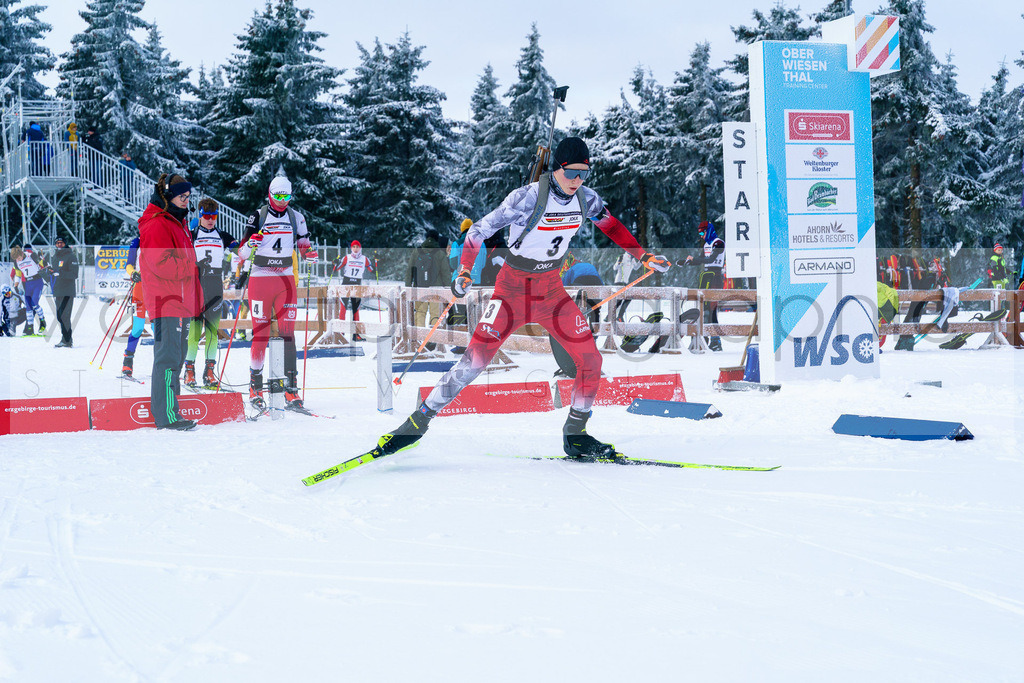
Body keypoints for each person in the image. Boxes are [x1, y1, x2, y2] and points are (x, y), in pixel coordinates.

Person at [371, 136, 671, 460]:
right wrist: (464, 271)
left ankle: (576, 434)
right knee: (473, 362)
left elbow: (610, 224)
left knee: (591, 360)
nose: (577, 180)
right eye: (571, 173)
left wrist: (643, 256)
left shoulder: (586, 198)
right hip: (512, 289)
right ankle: (414, 426)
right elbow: (476, 233)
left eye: (584, 173)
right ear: (557, 168)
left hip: (551, 291)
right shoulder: (526, 198)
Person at [238, 176, 317, 411]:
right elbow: (242, 253)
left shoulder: (297, 218)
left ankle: (290, 389)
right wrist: (252, 243)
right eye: (278, 196)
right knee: (260, 335)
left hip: (285, 281)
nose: (282, 201)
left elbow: (304, 244)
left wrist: (308, 253)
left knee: (288, 334)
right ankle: (255, 386)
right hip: (261, 279)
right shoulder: (258, 216)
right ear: (270, 194)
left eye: (287, 196)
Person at [138, 173, 203, 430]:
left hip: (180, 300)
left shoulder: (176, 222)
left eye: (188, 196)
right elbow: (160, 264)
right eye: (182, 196)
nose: (186, 201)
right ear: (168, 196)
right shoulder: (157, 224)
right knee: (167, 359)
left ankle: (171, 408)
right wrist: (193, 266)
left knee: (177, 358)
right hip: (166, 301)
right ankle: (166, 416)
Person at [184, 198, 239, 388]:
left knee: (212, 332)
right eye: (207, 216)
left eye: (213, 216)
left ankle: (209, 372)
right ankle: (189, 371)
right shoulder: (192, 235)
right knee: (194, 332)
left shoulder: (222, 235)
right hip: (196, 286)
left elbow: (240, 250)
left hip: (215, 286)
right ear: (200, 216)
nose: (210, 220)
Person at [684, 221, 725, 351]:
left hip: (716, 276)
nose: (701, 236)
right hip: (707, 276)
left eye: (702, 232)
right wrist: (687, 262)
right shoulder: (707, 244)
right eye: (700, 233)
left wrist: (694, 260)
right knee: (705, 308)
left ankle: (716, 341)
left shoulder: (718, 243)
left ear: (709, 230)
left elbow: (711, 259)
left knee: (712, 309)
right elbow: (701, 260)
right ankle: (706, 338)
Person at [405, 230, 451, 331]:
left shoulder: (417, 252)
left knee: (420, 313)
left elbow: (409, 271)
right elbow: (446, 273)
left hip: (419, 287)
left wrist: (408, 287)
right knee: (435, 314)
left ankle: (420, 339)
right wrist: (448, 289)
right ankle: (433, 339)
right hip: (436, 289)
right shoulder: (440, 253)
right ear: (437, 239)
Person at [333, 240, 374, 342]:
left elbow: (372, 270)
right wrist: (335, 263)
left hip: (357, 285)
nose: (355, 249)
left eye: (357, 247)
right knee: (343, 308)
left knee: (356, 310)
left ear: (360, 248)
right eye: (354, 247)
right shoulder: (347, 257)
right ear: (351, 248)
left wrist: (377, 263)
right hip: (346, 284)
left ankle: (356, 334)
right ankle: (341, 333)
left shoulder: (365, 259)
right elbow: (336, 269)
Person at [121, 236, 148, 379]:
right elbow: (129, 264)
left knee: (160, 329)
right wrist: (133, 273)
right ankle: (128, 361)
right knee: (138, 327)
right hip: (140, 288)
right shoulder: (137, 241)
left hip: (158, 289)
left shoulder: (162, 238)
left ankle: (162, 365)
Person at [48, 237, 79, 347]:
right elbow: (56, 271)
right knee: (60, 316)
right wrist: (50, 271)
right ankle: (66, 338)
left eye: (61, 243)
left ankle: (67, 340)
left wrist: (60, 274)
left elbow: (74, 274)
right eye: (57, 243)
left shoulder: (71, 256)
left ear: (65, 244)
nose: (59, 245)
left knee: (64, 316)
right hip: (58, 290)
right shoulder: (55, 256)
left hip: (67, 291)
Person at [9, 245, 46, 335]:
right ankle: (30, 327)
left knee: (34, 303)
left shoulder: (31, 255)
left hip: (37, 282)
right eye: (16, 259)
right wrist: (16, 285)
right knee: (28, 306)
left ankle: (42, 321)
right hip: (27, 283)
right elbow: (17, 274)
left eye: (19, 258)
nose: (18, 260)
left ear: (22, 253)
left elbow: (42, 265)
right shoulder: (16, 262)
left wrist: (43, 262)